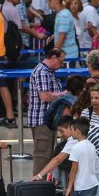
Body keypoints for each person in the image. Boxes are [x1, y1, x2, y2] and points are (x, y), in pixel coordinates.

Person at [26, 48, 65, 176]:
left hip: (48, 122)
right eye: (61, 61)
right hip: (41, 121)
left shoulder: (49, 72)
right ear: (53, 58)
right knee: (42, 157)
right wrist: (65, 94)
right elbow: (45, 96)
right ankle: (37, 187)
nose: (61, 65)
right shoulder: (42, 72)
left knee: (48, 155)